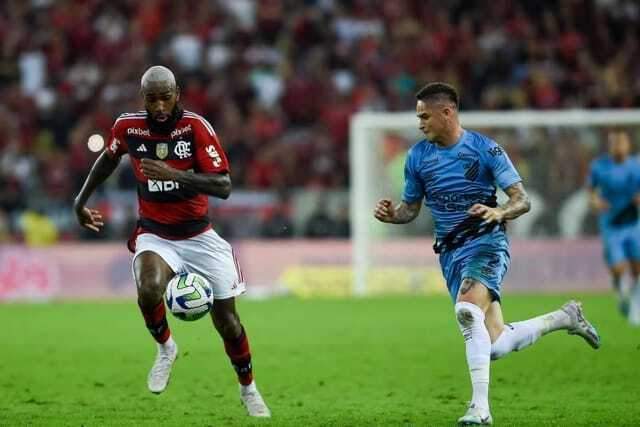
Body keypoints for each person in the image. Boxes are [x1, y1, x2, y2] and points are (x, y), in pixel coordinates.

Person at [373, 82, 600, 425]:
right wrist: (395, 215)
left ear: (446, 112)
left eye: (424, 116)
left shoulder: (485, 150)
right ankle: (565, 318)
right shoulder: (417, 157)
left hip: (487, 242)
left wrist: (499, 212)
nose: (419, 123)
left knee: (467, 309)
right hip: (450, 252)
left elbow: (521, 199)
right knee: (493, 344)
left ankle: (480, 409)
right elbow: (411, 209)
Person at [72, 65, 270, 417]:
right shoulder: (128, 126)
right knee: (148, 287)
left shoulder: (195, 128)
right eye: (152, 99)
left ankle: (248, 389)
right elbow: (108, 158)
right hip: (155, 233)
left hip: (200, 236)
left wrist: (175, 174)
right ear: (142, 98)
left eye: (166, 97)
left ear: (177, 93)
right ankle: (166, 348)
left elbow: (223, 185)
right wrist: (80, 201)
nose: (160, 106)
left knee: (228, 322)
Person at [587, 130, 640, 325]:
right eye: (614, 142)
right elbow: (590, 192)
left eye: (621, 142)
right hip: (612, 225)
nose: (618, 146)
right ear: (609, 145)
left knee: (637, 269)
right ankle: (619, 289)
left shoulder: (636, 166)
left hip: (634, 223)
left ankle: (635, 305)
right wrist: (595, 202)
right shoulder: (600, 166)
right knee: (618, 269)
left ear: (628, 144)